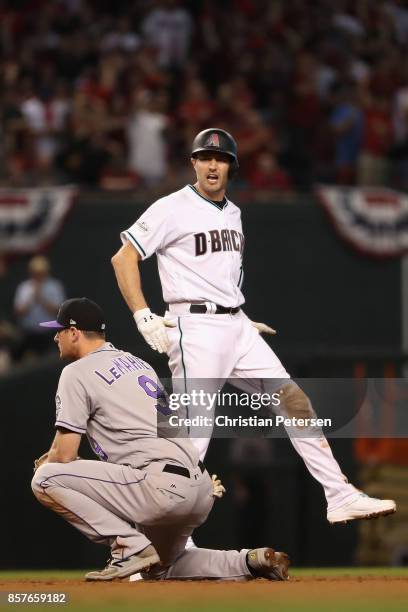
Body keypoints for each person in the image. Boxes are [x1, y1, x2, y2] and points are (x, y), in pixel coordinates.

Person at [111, 127, 397, 525]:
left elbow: (227, 276)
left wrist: (238, 314)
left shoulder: (233, 213)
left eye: (221, 159)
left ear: (231, 167)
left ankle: (339, 495)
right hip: (194, 327)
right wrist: (142, 314)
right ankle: (157, 532)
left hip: (236, 326)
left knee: (295, 402)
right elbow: (122, 259)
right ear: (193, 163)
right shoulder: (170, 208)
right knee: (194, 440)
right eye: (205, 158)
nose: (213, 165)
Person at [31, 297, 289, 582]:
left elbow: (65, 454)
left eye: (59, 329)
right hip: (199, 485)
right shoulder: (138, 364)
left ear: (74, 332)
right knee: (164, 566)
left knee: (45, 479)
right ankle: (250, 561)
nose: (55, 336)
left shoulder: (75, 372)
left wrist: (50, 461)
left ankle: (127, 547)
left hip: (159, 487)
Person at [14, 255, 65, 359]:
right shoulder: (24, 288)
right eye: (36, 271)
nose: (38, 274)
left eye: (41, 271)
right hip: (29, 333)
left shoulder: (54, 286)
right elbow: (18, 312)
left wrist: (42, 300)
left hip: (50, 333)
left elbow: (60, 311)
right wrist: (31, 299)